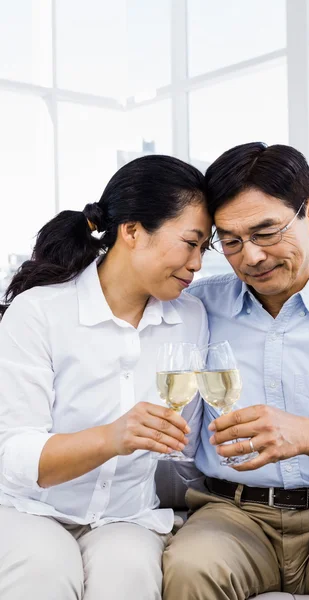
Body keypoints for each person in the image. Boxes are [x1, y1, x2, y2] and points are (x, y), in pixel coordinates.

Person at [163, 142, 309, 600]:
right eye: (230, 241)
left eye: (266, 232)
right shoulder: (198, 307)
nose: (250, 257)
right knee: (189, 570)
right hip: (231, 515)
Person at [0, 154, 210, 600]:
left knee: (129, 577)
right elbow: (14, 454)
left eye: (204, 248)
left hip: (126, 517)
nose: (196, 264)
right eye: (189, 243)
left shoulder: (190, 317)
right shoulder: (39, 311)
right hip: (28, 508)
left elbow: (184, 443)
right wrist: (114, 437)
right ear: (131, 231)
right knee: (43, 570)